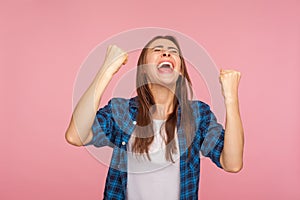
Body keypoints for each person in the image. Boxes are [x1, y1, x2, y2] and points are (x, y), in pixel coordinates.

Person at [65, 35, 244, 200]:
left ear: (180, 71)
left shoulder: (198, 115)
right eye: (157, 49)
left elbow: (232, 164)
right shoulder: (121, 111)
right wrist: (107, 70)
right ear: (143, 70)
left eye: (173, 52)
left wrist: (231, 98)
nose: (166, 52)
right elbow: (76, 136)